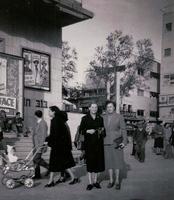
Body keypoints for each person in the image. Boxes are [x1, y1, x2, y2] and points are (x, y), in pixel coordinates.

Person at [45, 106, 79, 187]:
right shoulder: (60, 120)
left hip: (58, 146)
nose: (48, 113)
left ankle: (51, 181)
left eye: (49, 111)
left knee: (54, 164)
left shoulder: (55, 120)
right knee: (63, 164)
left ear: (54, 112)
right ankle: (73, 178)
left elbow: (55, 134)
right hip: (62, 146)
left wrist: (48, 141)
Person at [79, 103, 105, 191]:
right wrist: (87, 131)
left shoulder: (100, 118)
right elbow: (80, 131)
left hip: (98, 144)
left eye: (96, 107)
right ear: (89, 108)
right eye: (92, 107)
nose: (94, 109)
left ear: (97, 109)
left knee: (97, 163)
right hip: (89, 144)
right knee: (90, 163)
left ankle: (95, 181)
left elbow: (103, 131)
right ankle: (90, 183)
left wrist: (101, 131)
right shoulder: (85, 118)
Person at [103, 101, 127, 190]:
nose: (109, 108)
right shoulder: (103, 117)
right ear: (106, 108)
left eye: (111, 106)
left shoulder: (119, 117)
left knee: (117, 161)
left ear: (114, 107)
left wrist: (124, 142)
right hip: (105, 142)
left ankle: (117, 181)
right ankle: (111, 180)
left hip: (116, 142)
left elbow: (124, 129)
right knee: (109, 162)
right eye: (108, 107)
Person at [32, 110, 49, 179]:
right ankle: (37, 174)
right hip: (35, 144)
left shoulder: (43, 123)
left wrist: (41, 145)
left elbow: (44, 135)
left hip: (39, 144)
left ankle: (49, 167)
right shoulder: (38, 123)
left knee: (36, 159)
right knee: (34, 160)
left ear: (35, 115)